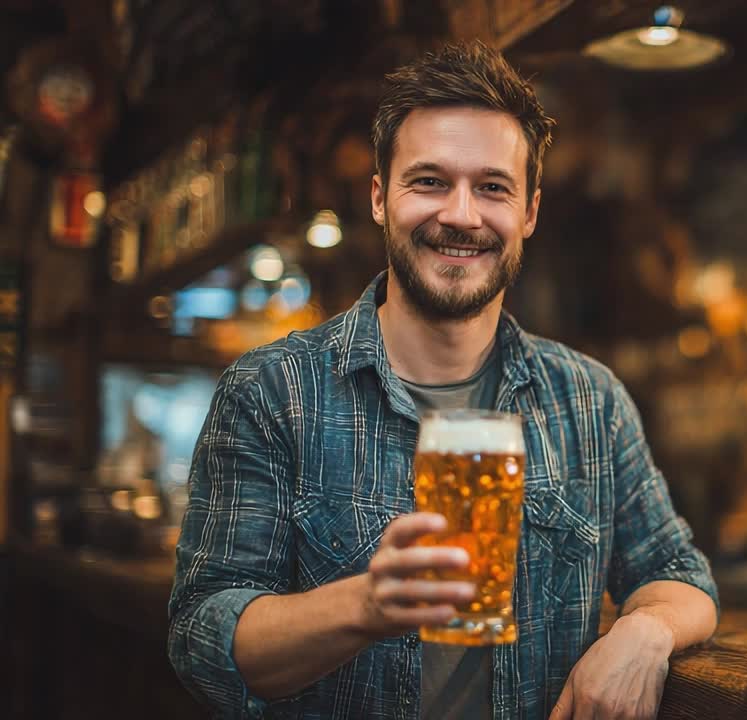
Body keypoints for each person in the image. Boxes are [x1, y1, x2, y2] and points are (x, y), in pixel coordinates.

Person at [168, 40, 718, 720]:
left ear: (529, 213)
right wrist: (364, 606)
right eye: (429, 181)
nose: (461, 214)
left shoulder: (589, 399)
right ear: (379, 197)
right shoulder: (273, 392)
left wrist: (645, 631)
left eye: (492, 187)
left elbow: (679, 574)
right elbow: (202, 636)